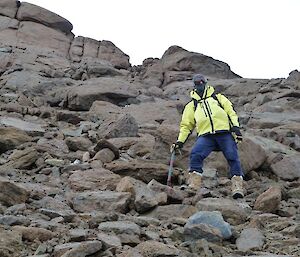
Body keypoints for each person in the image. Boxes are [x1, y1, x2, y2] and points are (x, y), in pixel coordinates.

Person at [171, 74, 244, 199]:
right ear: (194, 86)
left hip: (224, 133)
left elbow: (231, 113)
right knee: (196, 154)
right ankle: (194, 184)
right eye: (197, 83)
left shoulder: (218, 98)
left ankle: (237, 187)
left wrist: (236, 128)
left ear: (206, 83)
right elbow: (186, 125)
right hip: (206, 136)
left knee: (232, 156)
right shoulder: (192, 105)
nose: (200, 85)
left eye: (201, 82)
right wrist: (180, 141)